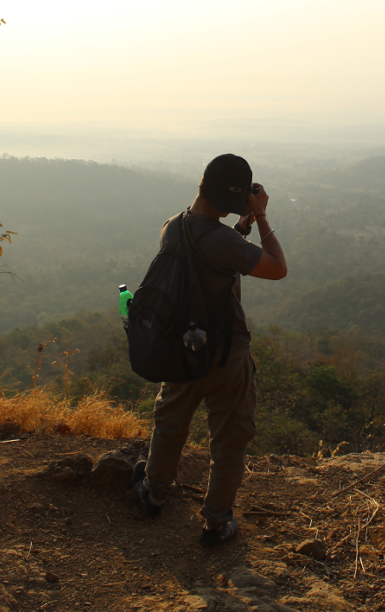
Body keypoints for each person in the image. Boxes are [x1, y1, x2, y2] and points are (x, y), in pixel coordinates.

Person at [132, 153, 287, 549]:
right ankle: (216, 523)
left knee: (170, 426)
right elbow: (276, 267)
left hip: (181, 349)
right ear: (231, 198)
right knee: (229, 441)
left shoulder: (172, 227)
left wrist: (241, 225)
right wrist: (262, 217)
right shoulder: (224, 241)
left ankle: (154, 490)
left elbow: (211, 254)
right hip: (226, 356)